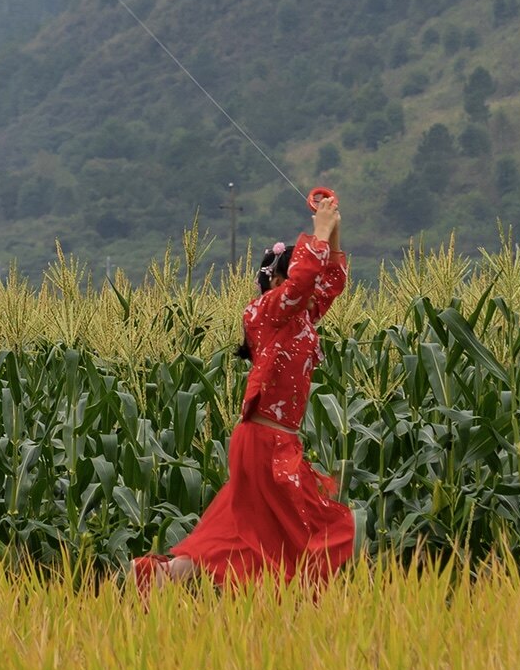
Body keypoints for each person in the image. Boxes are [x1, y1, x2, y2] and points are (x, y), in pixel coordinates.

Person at [134, 188, 357, 587]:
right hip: (264, 442)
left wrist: (333, 232)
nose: (309, 287)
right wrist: (318, 233)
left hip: (278, 442)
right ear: (275, 278)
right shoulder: (267, 312)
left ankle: (158, 578)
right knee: (314, 527)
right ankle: (298, 604)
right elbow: (304, 281)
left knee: (243, 537)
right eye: (299, 278)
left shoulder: (301, 315)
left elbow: (331, 281)